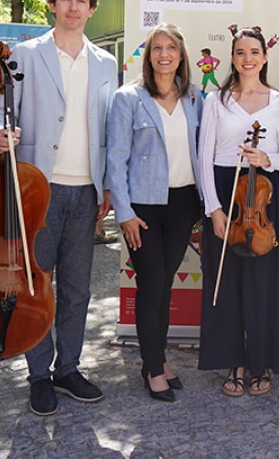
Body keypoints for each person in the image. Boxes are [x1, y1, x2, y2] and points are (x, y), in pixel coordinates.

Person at [0, 0, 117, 416]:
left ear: (92, 9)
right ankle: (39, 375)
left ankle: (69, 368)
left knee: (78, 290)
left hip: (87, 191)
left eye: (82, 1)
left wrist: (110, 185)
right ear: (53, 5)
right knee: (36, 286)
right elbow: (1, 116)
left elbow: (107, 130)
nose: (74, 7)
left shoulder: (106, 63)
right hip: (37, 190)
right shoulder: (25, 54)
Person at [198, 28, 279, 397]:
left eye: (254, 51)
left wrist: (268, 158)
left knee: (263, 285)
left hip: (264, 198)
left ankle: (261, 361)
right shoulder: (216, 100)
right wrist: (214, 210)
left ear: (265, 57)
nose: (248, 58)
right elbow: (203, 158)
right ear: (233, 58)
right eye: (241, 52)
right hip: (227, 196)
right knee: (228, 285)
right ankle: (234, 362)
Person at [107, 23, 203, 403]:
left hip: (182, 204)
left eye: (171, 48)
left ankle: (158, 359)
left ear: (181, 56)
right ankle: (151, 366)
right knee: (151, 284)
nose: (164, 54)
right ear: (147, 56)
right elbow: (115, 158)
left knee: (165, 284)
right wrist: (124, 212)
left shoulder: (196, 98)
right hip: (143, 207)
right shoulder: (128, 98)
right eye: (157, 48)